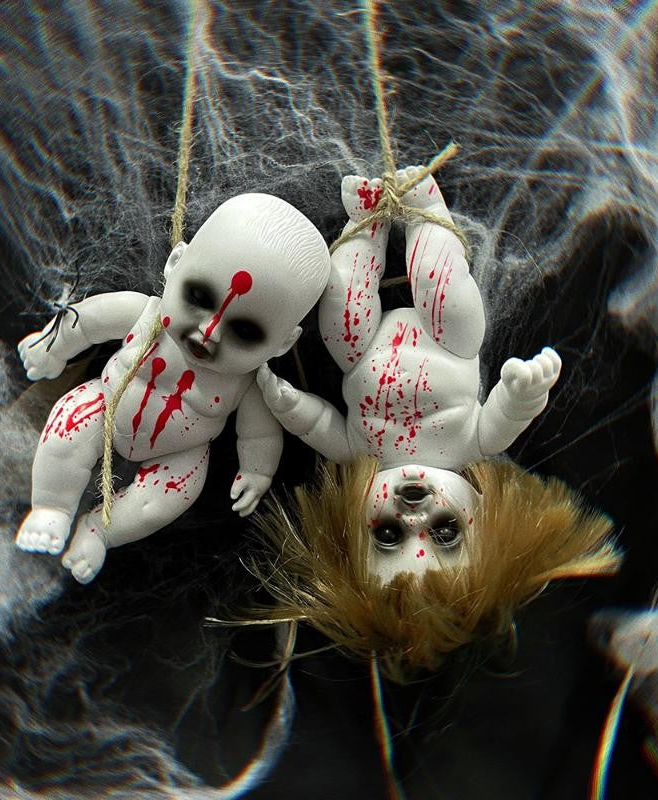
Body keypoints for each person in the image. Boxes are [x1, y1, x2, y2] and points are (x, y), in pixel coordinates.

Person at [253, 169, 620, 680]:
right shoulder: (472, 444)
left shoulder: (359, 453)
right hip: (447, 340)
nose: (413, 514)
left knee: (342, 312)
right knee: (444, 290)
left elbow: (319, 426)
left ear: (350, 530)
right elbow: (506, 415)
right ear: (485, 520)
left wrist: (286, 404)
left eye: (387, 534)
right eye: (445, 531)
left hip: (363, 352)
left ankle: (367, 220)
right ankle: (426, 208)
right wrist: (524, 390)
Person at [16, 193, 331, 583]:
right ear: (175, 262)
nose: (209, 332)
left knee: (168, 497)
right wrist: (51, 348)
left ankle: (100, 531)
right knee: (70, 428)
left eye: (245, 331)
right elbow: (85, 322)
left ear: (283, 343)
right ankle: (52, 507)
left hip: (180, 453)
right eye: (198, 297)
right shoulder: (143, 315)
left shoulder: (248, 381)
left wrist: (257, 471)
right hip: (105, 405)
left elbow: (260, 433)